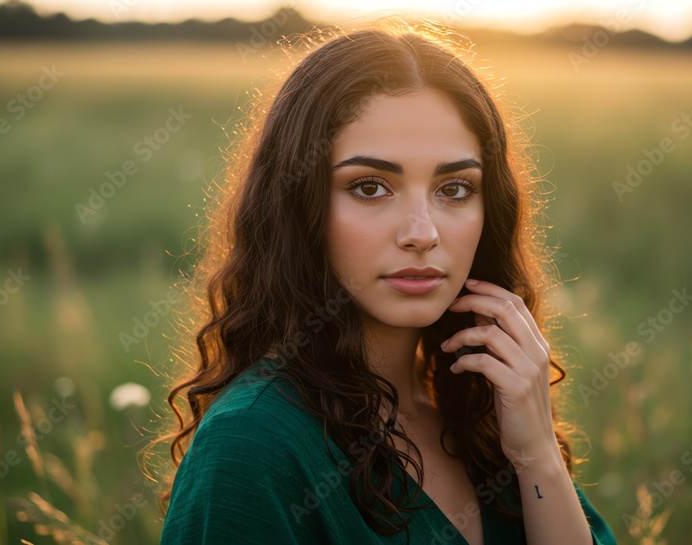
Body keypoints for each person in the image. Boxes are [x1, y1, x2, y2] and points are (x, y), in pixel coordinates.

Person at [149, 16, 617, 545]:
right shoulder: (254, 445)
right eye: (370, 187)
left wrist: (537, 458)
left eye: (456, 188)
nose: (423, 232)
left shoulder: (482, 414)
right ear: (299, 206)